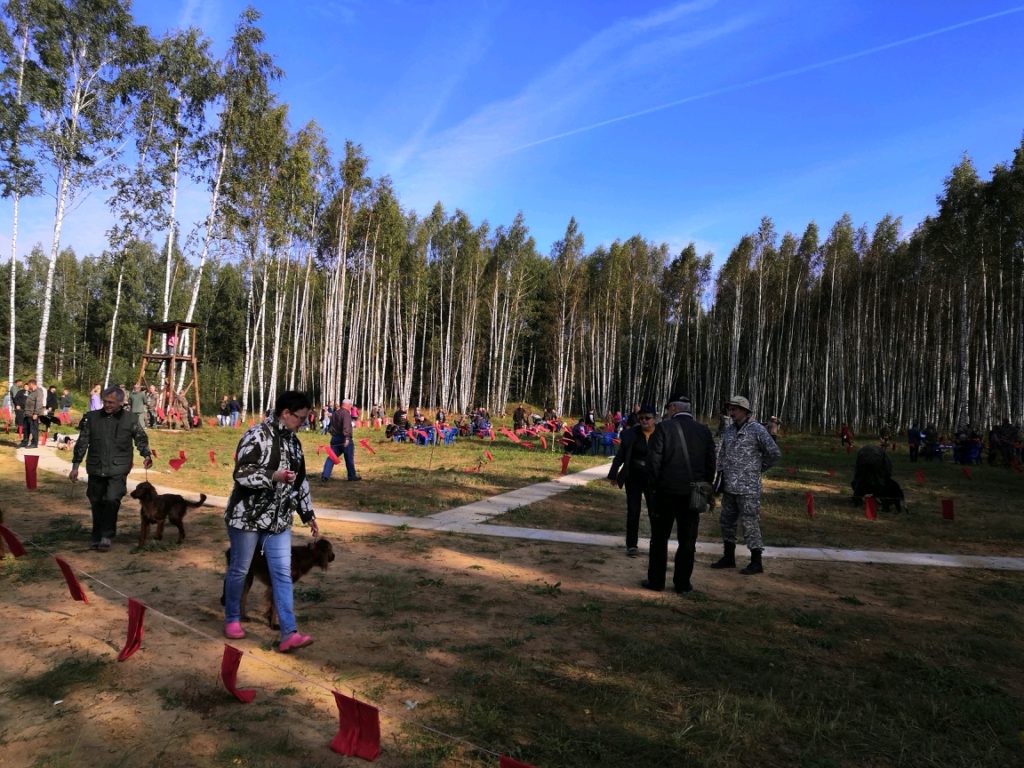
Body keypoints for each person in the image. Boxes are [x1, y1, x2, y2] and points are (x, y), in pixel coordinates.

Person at [222, 390, 318, 653]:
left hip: (278, 523)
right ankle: (232, 618)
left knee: (283, 575)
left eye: (306, 418)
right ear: (285, 413)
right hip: (246, 519)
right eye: (300, 417)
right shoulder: (256, 435)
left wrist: (307, 513)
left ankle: (289, 632)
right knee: (240, 570)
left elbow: (300, 482)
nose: (303, 422)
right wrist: (272, 475)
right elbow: (241, 473)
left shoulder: (295, 443)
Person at [642, 396, 716, 593]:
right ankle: (683, 584)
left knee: (659, 539)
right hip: (695, 493)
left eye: (668, 408)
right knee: (688, 540)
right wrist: (706, 488)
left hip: (666, 492)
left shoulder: (664, 428)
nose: (666, 411)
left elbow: (653, 463)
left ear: (673, 408)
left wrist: (653, 489)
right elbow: (710, 465)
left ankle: (656, 582)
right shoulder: (704, 431)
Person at [69, 387, 153, 551]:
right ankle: (96, 534)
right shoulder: (92, 418)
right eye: (105, 401)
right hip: (96, 467)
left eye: (111, 402)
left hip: (118, 467)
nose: (107, 405)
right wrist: (75, 466)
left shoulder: (130, 419)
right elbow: (82, 442)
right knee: (96, 501)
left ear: (121, 403)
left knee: (112, 499)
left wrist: (146, 455)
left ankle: (106, 535)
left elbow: (141, 438)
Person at [712, 395, 781, 575]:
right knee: (726, 522)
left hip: (748, 488)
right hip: (729, 486)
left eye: (735, 409)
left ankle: (756, 561)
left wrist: (758, 468)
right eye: (730, 409)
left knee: (750, 523)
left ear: (744, 411)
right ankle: (729, 557)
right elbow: (722, 454)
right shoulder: (728, 431)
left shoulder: (757, 430)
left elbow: (774, 453)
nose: (731, 412)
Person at [607, 404, 658, 557]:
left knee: (654, 512)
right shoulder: (630, 434)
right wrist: (613, 474)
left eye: (647, 418)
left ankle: (656, 544)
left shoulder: (662, 434)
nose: (644, 421)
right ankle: (631, 545)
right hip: (634, 476)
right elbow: (621, 455)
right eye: (641, 418)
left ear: (654, 419)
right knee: (633, 511)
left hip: (653, 478)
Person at [321, 398, 359, 482]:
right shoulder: (346, 414)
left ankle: (325, 475)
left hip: (334, 438)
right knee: (349, 457)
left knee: (332, 457)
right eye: (350, 405)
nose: (351, 407)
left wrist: (334, 435)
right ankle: (352, 476)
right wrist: (347, 438)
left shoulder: (335, 413)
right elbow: (346, 426)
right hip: (344, 438)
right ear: (348, 405)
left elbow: (330, 426)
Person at [19, 379, 45, 448]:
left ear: (31, 384)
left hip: (33, 414)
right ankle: (25, 442)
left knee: (33, 429)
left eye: (28, 385)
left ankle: (34, 443)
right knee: (26, 429)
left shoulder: (38, 392)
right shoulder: (32, 392)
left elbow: (39, 403)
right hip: (27, 413)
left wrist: (36, 413)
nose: (28, 386)